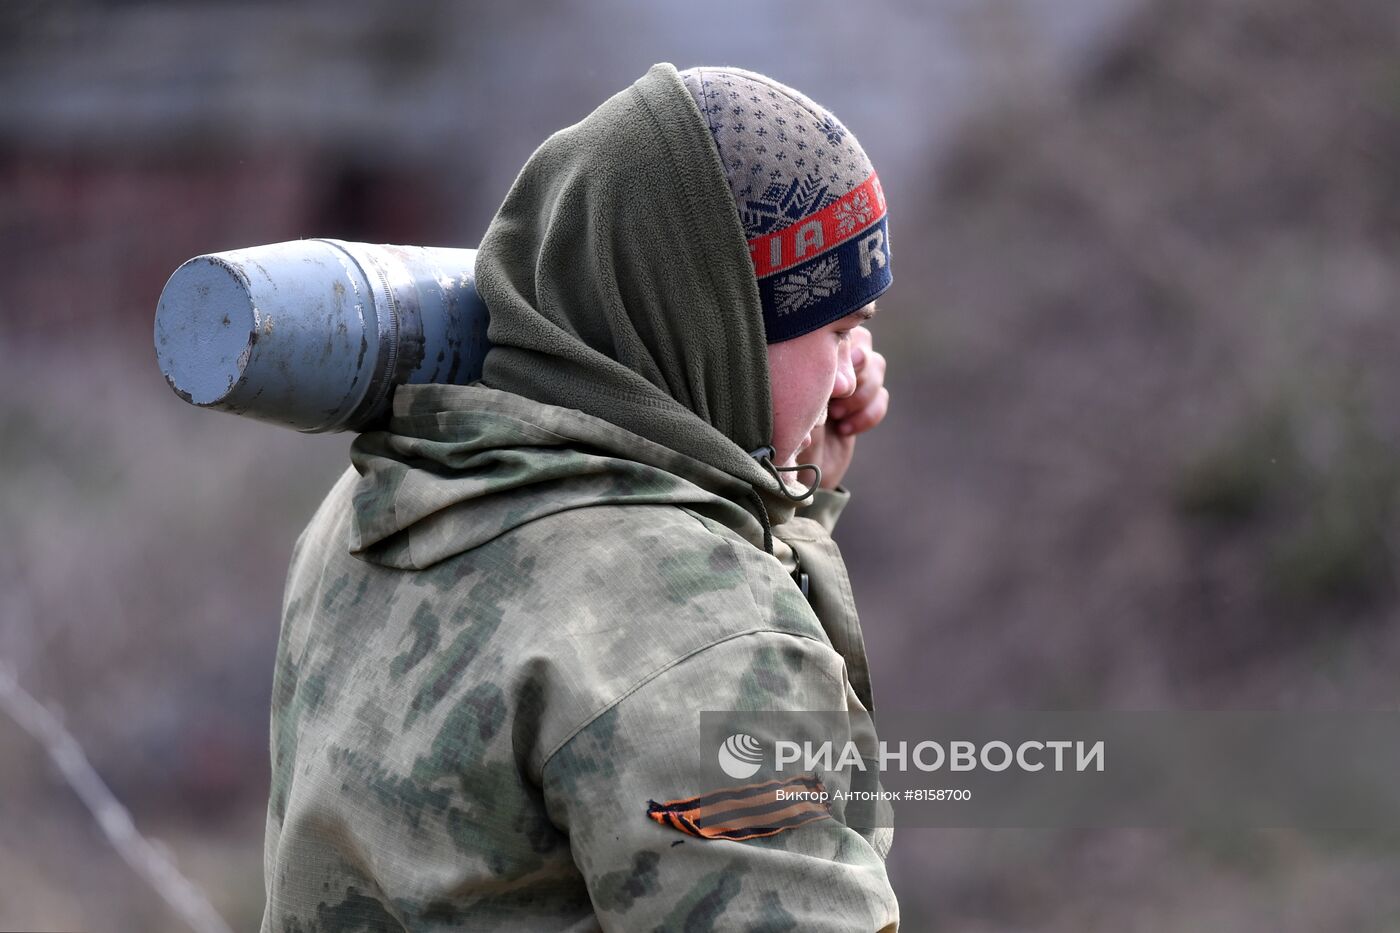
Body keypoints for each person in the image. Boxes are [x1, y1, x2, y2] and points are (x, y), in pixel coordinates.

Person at [260, 63, 897, 931]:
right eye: (838, 330)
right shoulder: (697, 622)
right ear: (719, 328)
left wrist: (787, 477)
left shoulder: (389, 497)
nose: (852, 371)